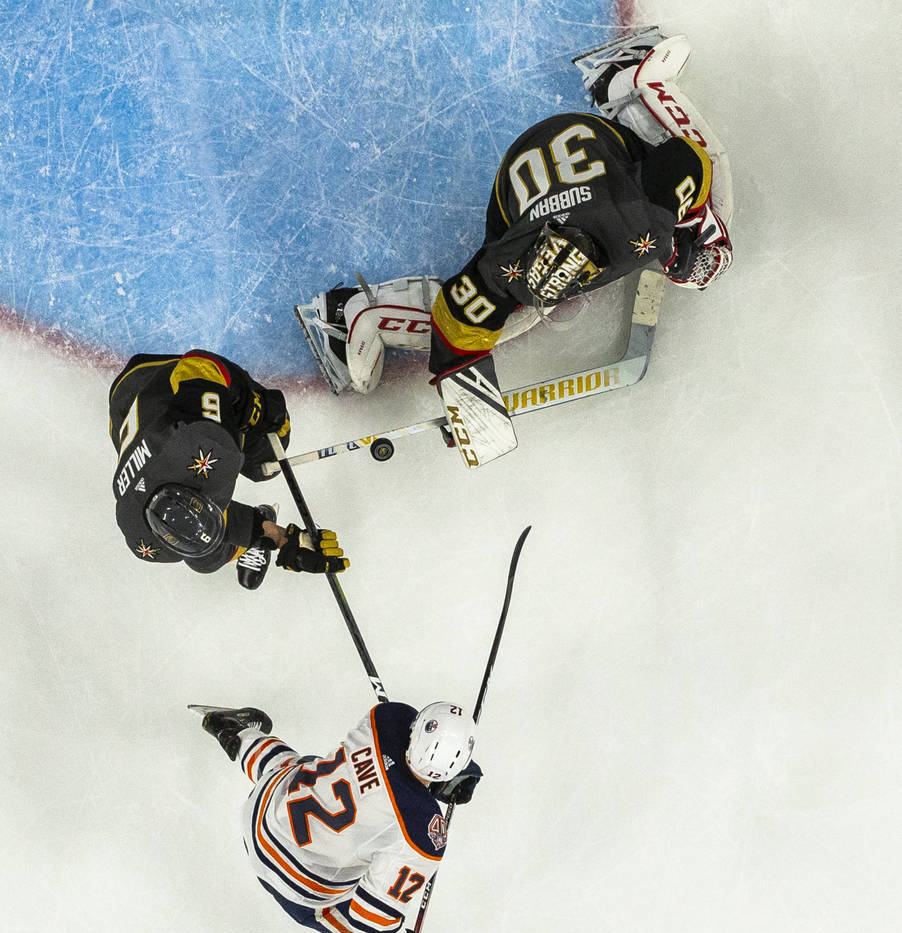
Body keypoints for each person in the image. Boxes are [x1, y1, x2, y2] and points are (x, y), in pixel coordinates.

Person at [297, 27, 733, 395]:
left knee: (718, 198)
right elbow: (459, 312)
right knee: (504, 315)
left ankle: (630, 81)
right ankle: (355, 313)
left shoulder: (635, 221)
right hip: (538, 174)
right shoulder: (509, 270)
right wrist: (460, 384)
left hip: (565, 156)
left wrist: (692, 235)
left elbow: (689, 159)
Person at [190, 700, 483, 933]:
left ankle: (241, 735)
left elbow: (397, 756)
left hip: (264, 809)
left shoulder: (385, 718)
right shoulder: (421, 833)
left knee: (311, 770)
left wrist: (433, 784)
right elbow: (373, 922)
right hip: (291, 879)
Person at [108, 349, 348, 588]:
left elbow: (198, 361)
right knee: (205, 559)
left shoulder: (206, 443)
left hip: (153, 377)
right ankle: (254, 531)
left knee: (268, 456)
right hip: (124, 401)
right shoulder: (145, 542)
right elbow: (214, 525)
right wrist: (283, 539)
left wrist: (249, 404)